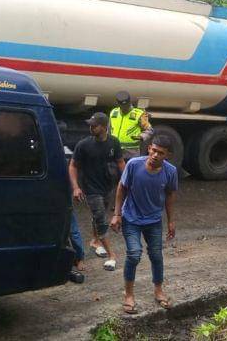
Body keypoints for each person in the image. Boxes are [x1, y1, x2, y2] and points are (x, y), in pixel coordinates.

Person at [110, 135, 178, 314]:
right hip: (131, 218)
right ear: (149, 148)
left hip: (154, 220)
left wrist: (171, 220)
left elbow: (170, 195)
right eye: (153, 150)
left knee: (156, 255)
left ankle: (158, 291)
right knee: (134, 254)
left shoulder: (170, 172)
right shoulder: (133, 165)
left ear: (167, 155)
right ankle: (129, 295)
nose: (155, 155)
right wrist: (117, 214)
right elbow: (122, 187)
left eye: (160, 153)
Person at [70, 112, 125, 271]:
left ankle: (94, 241)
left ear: (104, 127)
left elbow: (121, 163)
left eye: (94, 125)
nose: (91, 127)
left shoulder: (114, 143)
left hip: (107, 187)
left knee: (98, 215)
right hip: (90, 189)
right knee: (101, 219)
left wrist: (129, 179)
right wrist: (76, 187)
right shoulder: (84, 145)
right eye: (90, 124)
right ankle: (112, 255)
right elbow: (73, 166)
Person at [110, 91, 153, 160]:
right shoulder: (113, 113)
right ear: (118, 104)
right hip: (115, 151)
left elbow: (149, 130)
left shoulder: (139, 114)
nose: (125, 108)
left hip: (131, 153)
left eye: (127, 105)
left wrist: (141, 137)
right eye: (123, 106)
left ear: (130, 102)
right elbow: (109, 130)